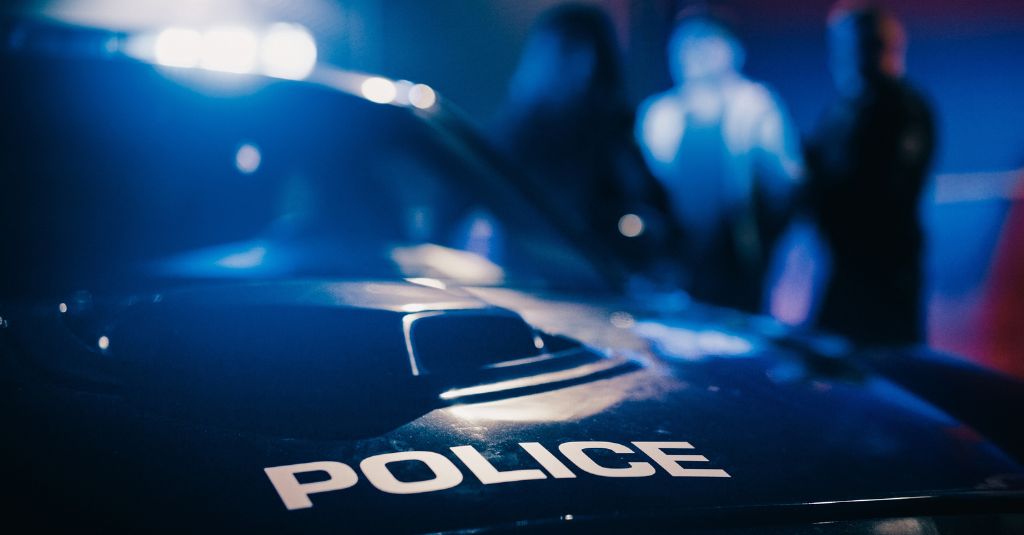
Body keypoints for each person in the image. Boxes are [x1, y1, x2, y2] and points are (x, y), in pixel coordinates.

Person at [492, 4, 679, 282]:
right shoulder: (514, 135)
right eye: (568, 50)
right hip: (527, 283)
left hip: (600, 285)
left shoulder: (613, 133)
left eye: (585, 51)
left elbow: (653, 214)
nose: (579, 65)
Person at [636, 12, 803, 313]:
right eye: (687, 43)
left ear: (732, 49)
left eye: (707, 41)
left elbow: (783, 182)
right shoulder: (657, 114)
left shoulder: (756, 104)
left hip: (738, 255)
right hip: (674, 257)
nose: (696, 52)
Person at [806, 2, 935, 345]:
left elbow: (890, 193)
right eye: (841, 48)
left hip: (885, 275)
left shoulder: (905, 110)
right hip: (845, 270)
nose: (847, 58)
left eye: (859, 46)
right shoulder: (841, 111)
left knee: (888, 372)